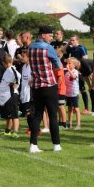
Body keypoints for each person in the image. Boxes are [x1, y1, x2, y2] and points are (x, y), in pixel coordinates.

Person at [28, 25, 62, 153]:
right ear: (43, 35)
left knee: (37, 116)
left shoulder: (30, 47)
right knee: (53, 116)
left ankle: (33, 144)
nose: (52, 38)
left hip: (36, 86)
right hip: (49, 85)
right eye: (50, 35)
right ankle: (56, 144)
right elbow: (59, 66)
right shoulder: (48, 48)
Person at [65, 35, 90, 114]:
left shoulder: (81, 48)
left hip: (80, 71)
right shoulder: (71, 48)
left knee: (82, 89)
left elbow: (85, 59)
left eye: (73, 40)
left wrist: (81, 71)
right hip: (73, 71)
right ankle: (74, 107)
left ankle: (86, 108)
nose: (71, 42)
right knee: (73, 89)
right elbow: (65, 56)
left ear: (77, 40)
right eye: (71, 40)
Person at [0, 54, 21, 137]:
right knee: (9, 115)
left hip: (11, 96)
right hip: (6, 96)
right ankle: (7, 131)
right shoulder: (7, 70)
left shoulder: (12, 69)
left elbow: (18, 76)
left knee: (14, 115)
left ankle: (15, 132)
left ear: (4, 63)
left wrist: (15, 84)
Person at [64, 57, 81, 129]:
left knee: (76, 109)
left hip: (74, 93)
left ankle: (78, 125)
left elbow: (73, 77)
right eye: (67, 63)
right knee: (69, 109)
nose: (67, 65)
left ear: (74, 65)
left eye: (69, 63)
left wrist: (68, 69)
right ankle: (69, 124)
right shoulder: (66, 73)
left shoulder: (75, 71)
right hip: (68, 93)